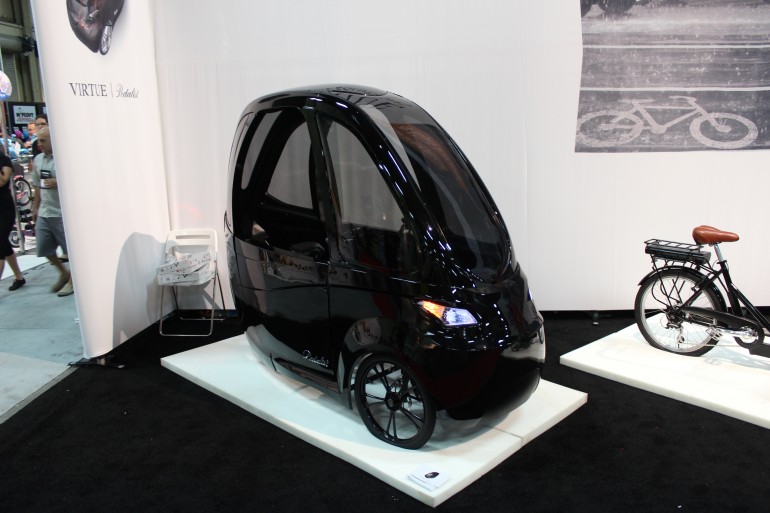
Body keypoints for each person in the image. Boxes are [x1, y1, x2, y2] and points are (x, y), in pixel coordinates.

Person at [31, 126, 73, 297]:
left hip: (62, 212)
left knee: (71, 251)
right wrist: (35, 207)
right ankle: (64, 273)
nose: (39, 144)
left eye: (43, 140)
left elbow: (75, 182)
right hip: (45, 211)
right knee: (43, 247)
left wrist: (58, 182)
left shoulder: (64, 159)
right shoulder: (38, 160)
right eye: (38, 140)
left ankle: (73, 281)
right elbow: (37, 185)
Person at [0, 146, 25, 291]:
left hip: (4, 209)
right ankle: (19, 277)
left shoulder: (5, 160)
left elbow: (2, 181)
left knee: (1, 244)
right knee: (4, 245)